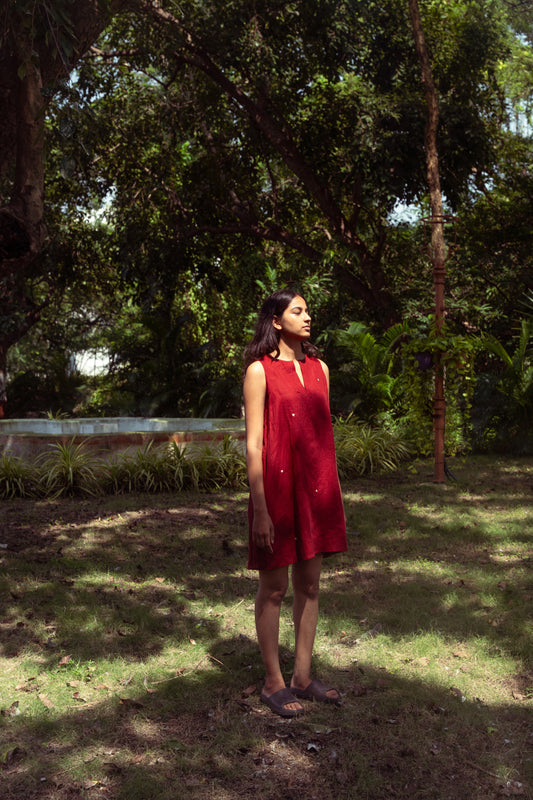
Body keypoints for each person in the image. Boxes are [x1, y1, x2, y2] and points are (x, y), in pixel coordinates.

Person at [243, 287, 347, 718]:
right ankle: (273, 682)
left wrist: (332, 490)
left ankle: (302, 677)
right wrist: (261, 509)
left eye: (307, 312)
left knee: (310, 585)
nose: (307, 318)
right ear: (275, 320)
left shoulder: (321, 367)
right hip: (277, 491)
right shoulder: (259, 371)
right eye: (298, 311)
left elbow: (323, 436)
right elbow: (253, 445)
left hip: (317, 489)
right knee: (274, 589)